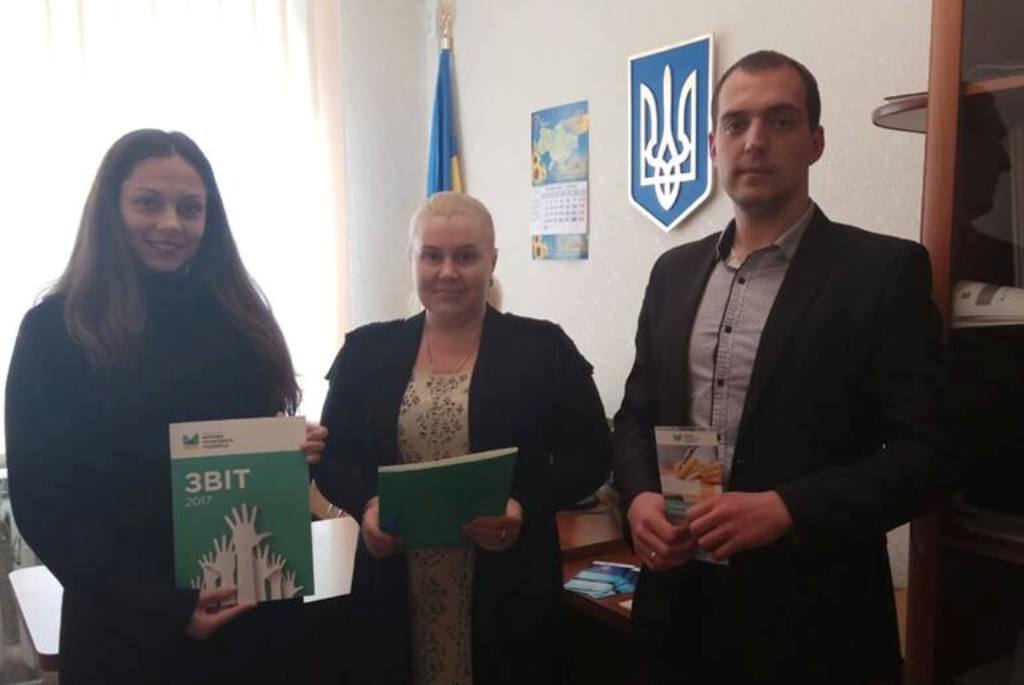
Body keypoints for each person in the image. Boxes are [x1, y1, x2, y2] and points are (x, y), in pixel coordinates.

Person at [612, 51, 955, 684]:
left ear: (816, 142)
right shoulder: (673, 273)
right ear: (712, 145)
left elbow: (929, 453)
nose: (755, 141)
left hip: (815, 622)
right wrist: (638, 498)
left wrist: (787, 508)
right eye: (736, 123)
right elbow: (635, 416)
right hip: (678, 608)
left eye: (780, 121)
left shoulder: (882, 273)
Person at [5, 129, 327, 684]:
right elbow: (44, 503)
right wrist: (164, 610)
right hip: (129, 632)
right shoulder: (56, 331)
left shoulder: (240, 317)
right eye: (148, 203)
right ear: (112, 210)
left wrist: (293, 451)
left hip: (255, 616)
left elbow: (256, 451)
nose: (171, 224)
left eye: (190, 208)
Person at [313, 191, 611, 685]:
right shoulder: (367, 351)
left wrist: (523, 505)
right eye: (432, 256)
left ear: (492, 261)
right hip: (394, 578)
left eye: (466, 256)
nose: (448, 272)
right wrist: (367, 505)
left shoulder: (543, 348)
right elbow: (335, 456)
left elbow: (593, 455)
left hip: (508, 582)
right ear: (412, 260)